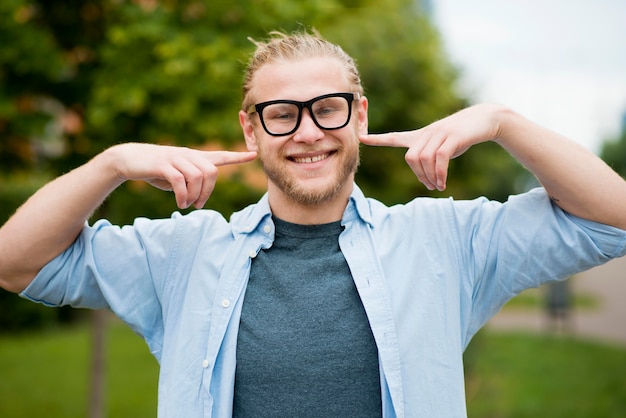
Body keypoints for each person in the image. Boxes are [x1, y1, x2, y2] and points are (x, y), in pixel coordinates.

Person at [1, 30, 625, 418]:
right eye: (281, 114)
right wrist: (110, 164)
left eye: (327, 109)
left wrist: (503, 121)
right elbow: (14, 262)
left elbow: (612, 219)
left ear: (359, 116)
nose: (307, 133)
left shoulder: (444, 241)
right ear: (250, 128)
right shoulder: (185, 251)